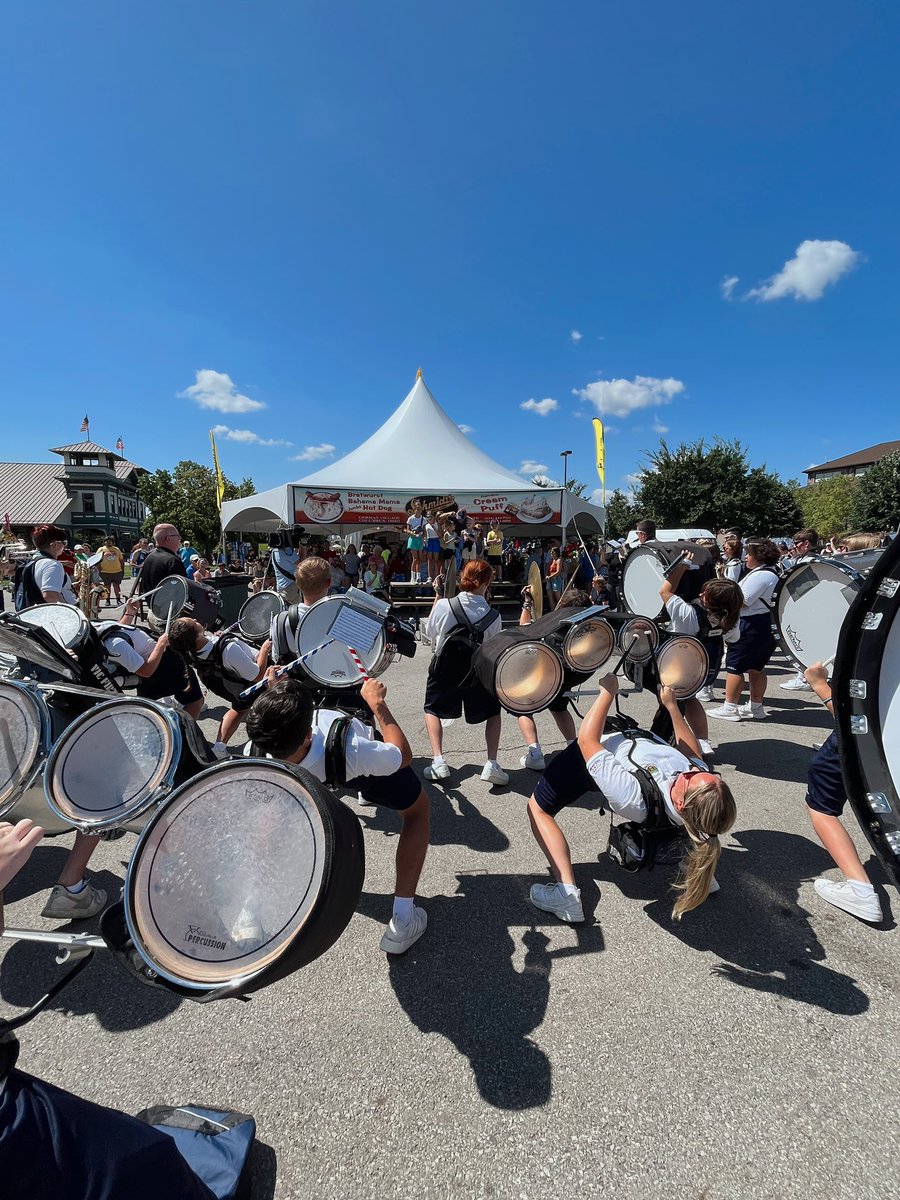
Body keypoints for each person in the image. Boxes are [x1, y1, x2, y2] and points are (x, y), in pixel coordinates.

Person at [526, 677, 736, 924]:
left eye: (689, 777)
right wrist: (671, 706)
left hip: (593, 753)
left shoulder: (634, 797)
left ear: (681, 803)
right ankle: (696, 867)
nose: (690, 770)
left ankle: (566, 895)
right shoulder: (699, 789)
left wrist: (607, 693)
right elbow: (692, 753)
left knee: (538, 809)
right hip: (633, 739)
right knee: (699, 814)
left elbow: (587, 740)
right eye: (703, 773)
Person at [246, 675, 430, 953]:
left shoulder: (257, 750)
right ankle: (403, 919)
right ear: (307, 735)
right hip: (352, 764)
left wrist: (275, 701)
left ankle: (249, 910)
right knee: (418, 812)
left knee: (267, 827)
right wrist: (378, 704)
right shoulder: (352, 747)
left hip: (300, 780)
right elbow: (402, 756)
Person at [802, 661, 882, 922]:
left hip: (866, 739)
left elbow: (856, 724)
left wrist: (820, 685)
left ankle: (860, 891)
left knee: (821, 806)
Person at [423, 559, 507, 785]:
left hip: (444, 670)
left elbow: (429, 632)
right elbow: (493, 648)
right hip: (476, 673)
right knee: (493, 712)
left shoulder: (444, 605)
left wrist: (438, 596)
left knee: (432, 709)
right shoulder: (494, 616)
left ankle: (438, 761)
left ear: (463, 577)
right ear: (487, 582)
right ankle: (491, 763)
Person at [659, 557, 743, 756]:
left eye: (706, 594)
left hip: (677, 666)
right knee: (690, 700)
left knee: (671, 704)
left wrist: (681, 566)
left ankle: (677, 741)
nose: (700, 594)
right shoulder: (731, 618)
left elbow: (664, 591)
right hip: (705, 668)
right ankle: (702, 740)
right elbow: (734, 638)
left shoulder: (688, 613)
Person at [167, 617, 271, 754]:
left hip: (229, 688)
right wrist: (264, 649)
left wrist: (217, 639)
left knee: (239, 709)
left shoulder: (189, 651)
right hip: (249, 686)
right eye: (194, 622)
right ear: (197, 636)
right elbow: (257, 675)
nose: (195, 619)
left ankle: (219, 749)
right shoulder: (228, 649)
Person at [708, 538, 781, 722]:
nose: (745, 557)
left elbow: (742, 600)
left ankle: (730, 708)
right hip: (763, 623)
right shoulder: (770, 572)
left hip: (751, 624)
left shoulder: (761, 575)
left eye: (749, 554)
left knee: (735, 667)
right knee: (756, 668)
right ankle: (756, 707)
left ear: (759, 556)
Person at [515, 586, 587, 771]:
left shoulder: (554, 623)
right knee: (559, 707)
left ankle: (535, 754)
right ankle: (574, 749)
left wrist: (527, 603)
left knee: (522, 707)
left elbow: (524, 629)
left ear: (562, 605)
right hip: (572, 675)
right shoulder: (588, 626)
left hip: (546, 674)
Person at [19, 525, 77, 607]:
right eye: (64, 543)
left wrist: (69, 587)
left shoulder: (35, 561)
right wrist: (69, 612)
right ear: (54, 545)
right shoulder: (52, 565)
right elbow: (50, 595)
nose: (65, 546)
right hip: (56, 613)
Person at [135, 524, 187, 594]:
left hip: (152, 599)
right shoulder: (173, 561)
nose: (180, 538)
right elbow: (181, 590)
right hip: (168, 600)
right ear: (168, 539)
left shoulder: (149, 557)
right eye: (177, 536)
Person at [96, 536, 125, 606]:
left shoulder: (116, 549)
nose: (109, 542)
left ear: (113, 542)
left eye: (110, 541)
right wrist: (99, 569)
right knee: (107, 587)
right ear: (104, 542)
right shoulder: (101, 549)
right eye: (107, 541)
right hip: (105, 572)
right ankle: (107, 601)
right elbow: (97, 560)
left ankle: (118, 600)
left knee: (117, 586)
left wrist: (122, 569)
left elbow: (121, 560)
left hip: (117, 571)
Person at [405, 499, 426, 583]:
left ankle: (418, 576)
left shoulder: (423, 519)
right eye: (417, 509)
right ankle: (412, 577)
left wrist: (424, 538)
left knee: (420, 558)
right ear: (414, 510)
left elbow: (424, 530)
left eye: (420, 509)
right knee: (415, 558)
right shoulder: (410, 519)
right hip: (413, 539)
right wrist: (414, 534)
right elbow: (407, 530)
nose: (418, 510)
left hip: (420, 539)